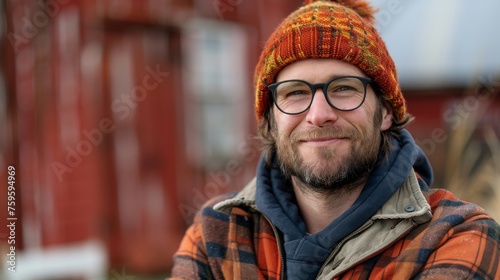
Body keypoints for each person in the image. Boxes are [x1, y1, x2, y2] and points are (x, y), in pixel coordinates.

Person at [170, 0, 500, 279]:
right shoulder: (218, 232)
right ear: (270, 122)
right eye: (295, 93)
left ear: (385, 111)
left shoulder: (454, 235)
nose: (318, 114)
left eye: (343, 88)